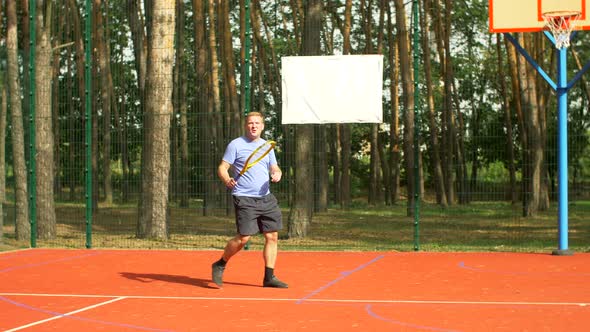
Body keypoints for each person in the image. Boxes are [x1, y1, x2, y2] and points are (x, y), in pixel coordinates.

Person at [212, 112, 288, 288]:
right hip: (244, 198)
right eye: (250, 123)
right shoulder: (236, 145)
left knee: (272, 236)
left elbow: (273, 166)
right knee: (244, 238)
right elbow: (223, 167)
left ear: (262, 126)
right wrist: (226, 179)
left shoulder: (266, 146)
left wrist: (277, 173)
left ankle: (269, 277)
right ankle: (221, 263)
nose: (254, 126)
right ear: (246, 126)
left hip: (266, 197)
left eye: (257, 123)